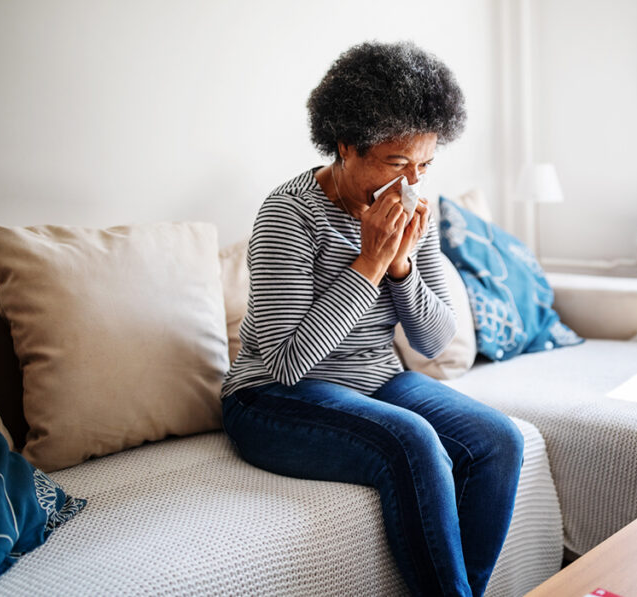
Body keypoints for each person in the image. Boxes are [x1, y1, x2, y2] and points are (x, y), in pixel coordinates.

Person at [220, 41, 524, 597]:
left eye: (424, 164)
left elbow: (433, 342)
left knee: (498, 439)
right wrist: (370, 263)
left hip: (377, 380)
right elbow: (288, 363)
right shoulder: (288, 214)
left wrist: (403, 267)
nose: (409, 183)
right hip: (271, 399)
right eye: (396, 162)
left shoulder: (413, 212)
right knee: (413, 441)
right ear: (346, 146)